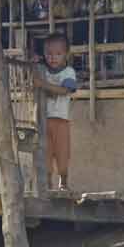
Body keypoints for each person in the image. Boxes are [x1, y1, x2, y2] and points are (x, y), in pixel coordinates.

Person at [33, 33, 76, 191]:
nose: (53, 57)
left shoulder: (68, 72)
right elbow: (34, 78)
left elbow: (65, 90)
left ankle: (63, 181)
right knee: (46, 152)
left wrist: (43, 85)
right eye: (49, 54)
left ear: (66, 54)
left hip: (61, 121)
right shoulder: (43, 71)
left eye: (58, 54)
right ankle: (48, 184)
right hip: (43, 120)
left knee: (62, 152)